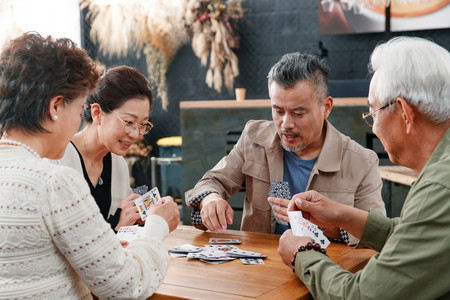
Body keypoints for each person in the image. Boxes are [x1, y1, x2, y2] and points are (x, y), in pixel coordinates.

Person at [0, 32, 179, 299]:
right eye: (79, 107)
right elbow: (125, 286)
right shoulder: (55, 181)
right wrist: (157, 225)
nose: (78, 121)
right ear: (56, 106)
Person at [278, 36, 450, 299]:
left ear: (404, 112)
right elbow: (416, 238)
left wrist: (302, 256)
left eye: (373, 112)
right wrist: (341, 215)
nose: (373, 126)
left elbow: (363, 295)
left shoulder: (439, 185)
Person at [185, 52, 386, 243]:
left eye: (298, 113)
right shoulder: (253, 139)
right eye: (278, 111)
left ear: (326, 107)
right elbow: (211, 182)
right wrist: (210, 200)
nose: (286, 123)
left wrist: (318, 225)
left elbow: (376, 236)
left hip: (329, 273)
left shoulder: (362, 162)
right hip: (260, 271)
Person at [56, 65, 153, 232]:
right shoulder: (58, 160)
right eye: (129, 122)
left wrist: (143, 218)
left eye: (143, 124)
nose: (136, 134)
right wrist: (117, 223)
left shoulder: (118, 164)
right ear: (97, 113)